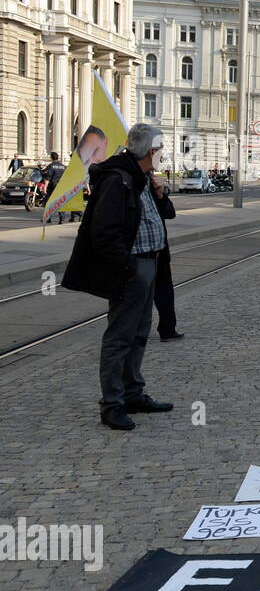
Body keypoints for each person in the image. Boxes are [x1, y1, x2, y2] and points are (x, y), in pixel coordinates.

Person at [62, 123, 174, 431]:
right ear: (151, 152)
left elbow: (164, 214)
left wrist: (160, 194)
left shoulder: (142, 179)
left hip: (149, 264)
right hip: (132, 268)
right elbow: (104, 233)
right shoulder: (119, 181)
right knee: (120, 336)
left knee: (139, 333)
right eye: (160, 149)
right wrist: (126, 269)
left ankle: (132, 393)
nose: (162, 155)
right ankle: (112, 404)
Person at [151, 173, 182, 340]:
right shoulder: (129, 186)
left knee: (164, 292)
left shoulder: (153, 186)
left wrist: (160, 194)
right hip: (138, 254)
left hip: (160, 252)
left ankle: (167, 329)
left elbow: (170, 213)